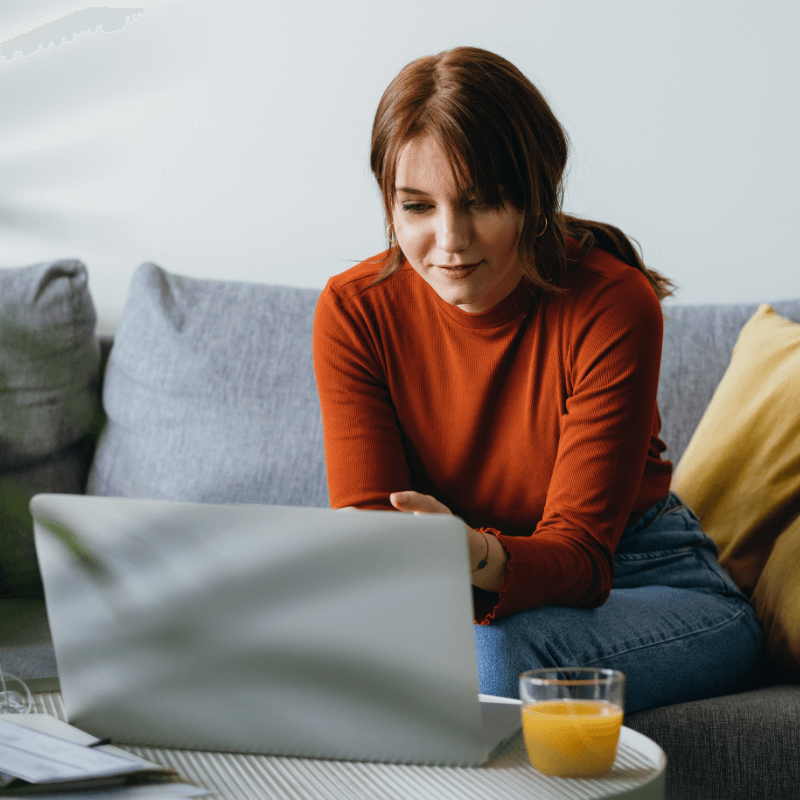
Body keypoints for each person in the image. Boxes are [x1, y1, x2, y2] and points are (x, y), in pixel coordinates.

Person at [312, 46, 763, 713]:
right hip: (462, 593)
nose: (450, 240)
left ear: (534, 194)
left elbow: (582, 555)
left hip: (645, 579)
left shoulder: (611, 303)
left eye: (482, 201)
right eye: (416, 207)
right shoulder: (354, 310)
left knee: (491, 656)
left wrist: (466, 553)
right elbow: (380, 550)